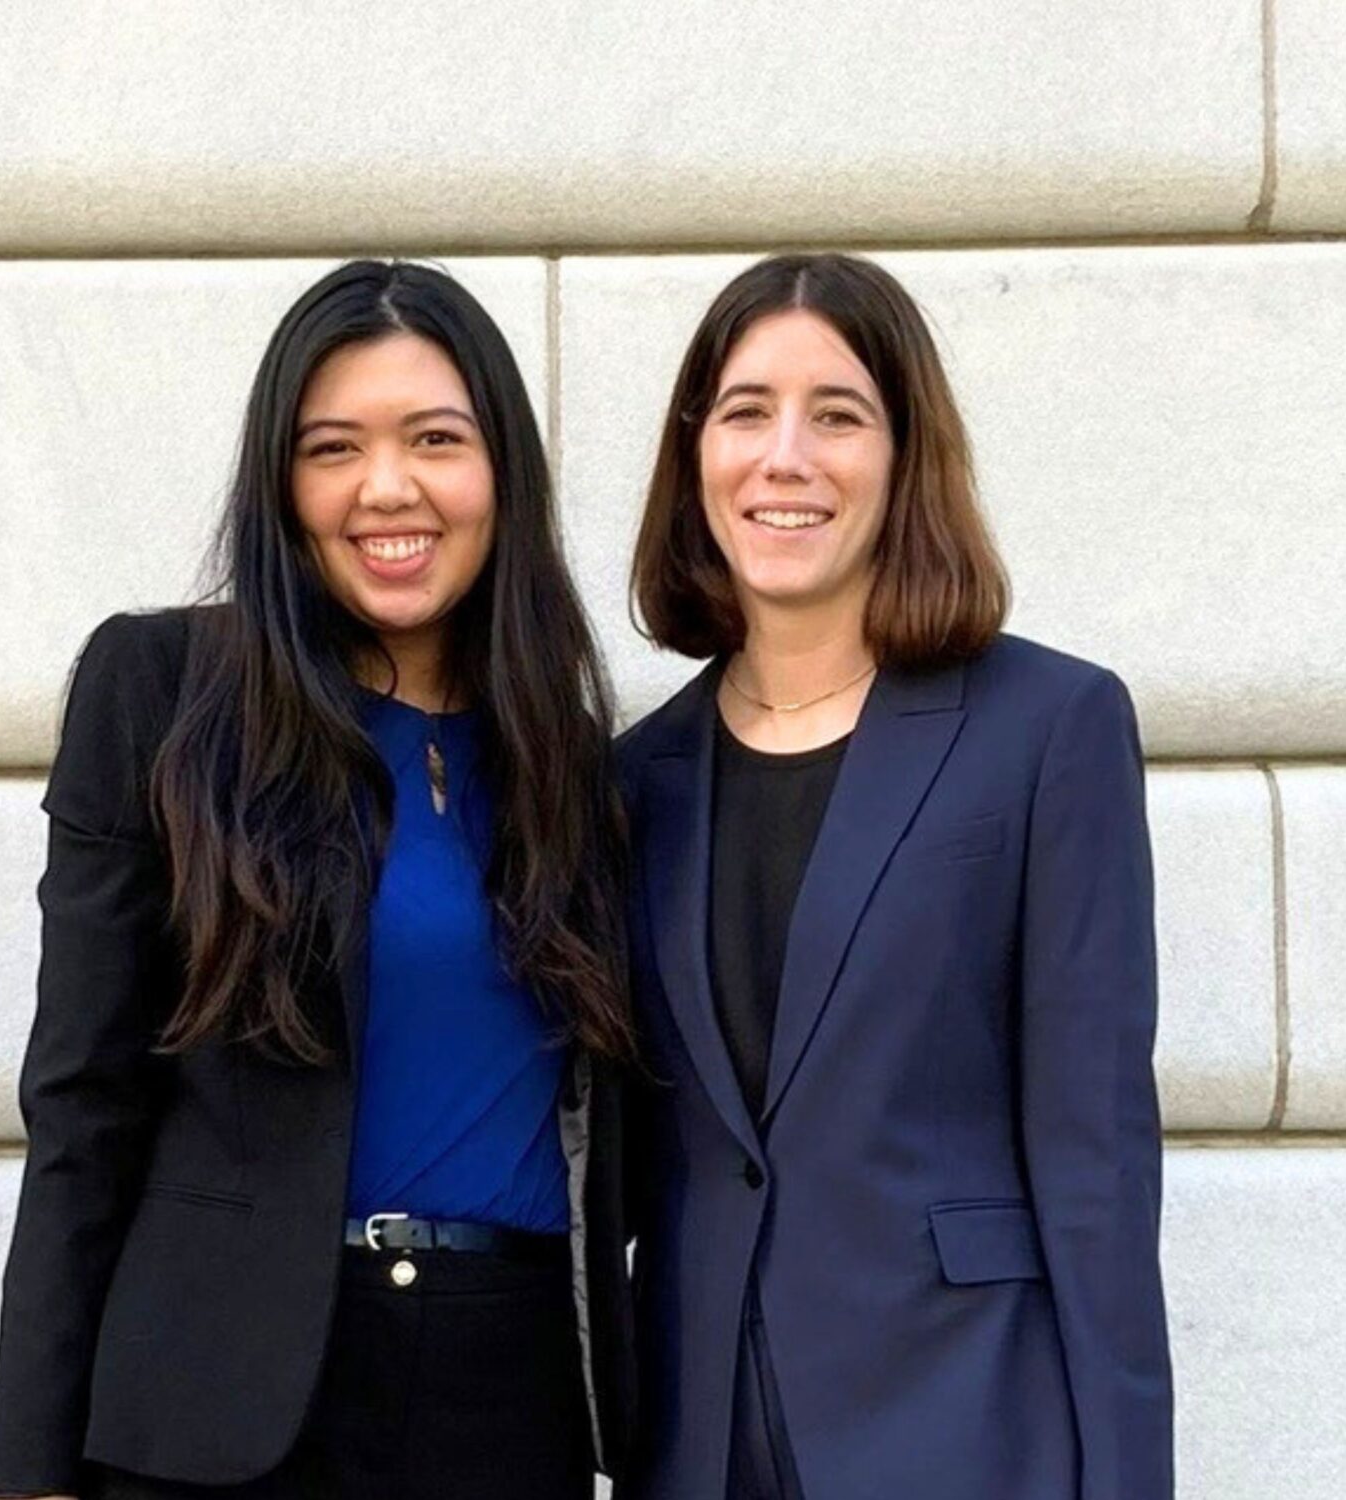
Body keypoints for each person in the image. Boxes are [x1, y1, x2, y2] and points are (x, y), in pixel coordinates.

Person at [0, 259, 636, 1500]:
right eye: (332, 448)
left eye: (435, 439)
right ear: (282, 488)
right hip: (223, 1409)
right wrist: (27, 1474)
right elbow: (81, 1112)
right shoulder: (166, 694)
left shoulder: (574, 767)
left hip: (511, 1401)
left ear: (501, 470)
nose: (387, 487)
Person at [616, 252, 1173, 1499]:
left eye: (839, 415)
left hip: (967, 1424)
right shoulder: (631, 781)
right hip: (701, 1444)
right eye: (747, 411)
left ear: (904, 452)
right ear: (695, 450)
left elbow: (1098, 1164)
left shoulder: (1048, 727)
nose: (786, 457)